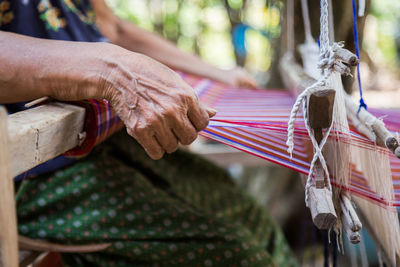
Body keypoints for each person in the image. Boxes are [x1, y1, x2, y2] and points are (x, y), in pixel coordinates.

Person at [0, 0, 297, 266]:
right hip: (31, 176)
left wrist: (217, 73)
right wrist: (111, 70)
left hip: (108, 142)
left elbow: (113, 28)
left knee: (251, 216)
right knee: (233, 253)